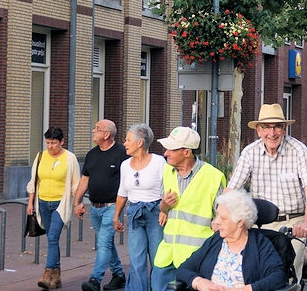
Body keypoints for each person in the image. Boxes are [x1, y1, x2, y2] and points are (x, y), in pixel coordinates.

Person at [228, 104, 307, 280]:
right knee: (251, 272)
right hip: (258, 224)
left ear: (284, 129)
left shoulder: (298, 150)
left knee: (288, 274)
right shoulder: (249, 153)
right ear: (259, 131)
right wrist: (220, 218)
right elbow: (232, 188)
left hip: (292, 222)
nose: (272, 133)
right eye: (266, 127)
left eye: (277, 126)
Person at [152, 126, 226, 288]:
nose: (165, 153)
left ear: (187, 152)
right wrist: (163, 207)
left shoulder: (213, 177)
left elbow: (223, 218)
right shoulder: (167, 171)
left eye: (171, 150)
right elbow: (165, 210)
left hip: (197, 257)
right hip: (167, 254)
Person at [175, 190, 286, 291]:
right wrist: (199, 282)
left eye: (223, 218)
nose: (217, 221)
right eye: (217, 215)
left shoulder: (260, 244)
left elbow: (278, 277)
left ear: (240, 222)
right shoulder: (215, 240)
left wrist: (246, 290)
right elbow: (183, 269)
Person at [74, 120, 128, 291]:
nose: (93, 131)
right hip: (95, 208)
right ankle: (119, 276)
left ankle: (95, 280)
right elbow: (85, 179)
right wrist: (77, 202)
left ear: (106, 134)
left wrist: (119, 211)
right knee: (107, 244)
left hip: (112, 207)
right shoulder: (92, 154)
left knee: (103, 244)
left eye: (97, 129)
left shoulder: (122, 153)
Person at [111, 124, 167, 291]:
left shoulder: (158, 162)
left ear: (140, 142)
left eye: (128, 140)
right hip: (134, 212)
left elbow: (167, 189)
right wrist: (116, 217)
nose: (125, 143)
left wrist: (165, 210)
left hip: (156, 213)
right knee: (136, 260)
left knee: (158, 258)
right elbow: (122, 193)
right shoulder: (125, 165)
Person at [26, 127, 81, 290]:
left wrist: (77, 203)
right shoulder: (40, 156)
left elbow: (76, 184)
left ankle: (47, 273)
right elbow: (34, 180)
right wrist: (30, 202)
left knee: (52, 238)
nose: (50, 146)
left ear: (62, 142)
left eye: (53, 143)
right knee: (51, 238)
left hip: (60, 203)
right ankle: (56, 277)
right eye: (48, 143)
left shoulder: (70, 158)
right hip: (42, 202)